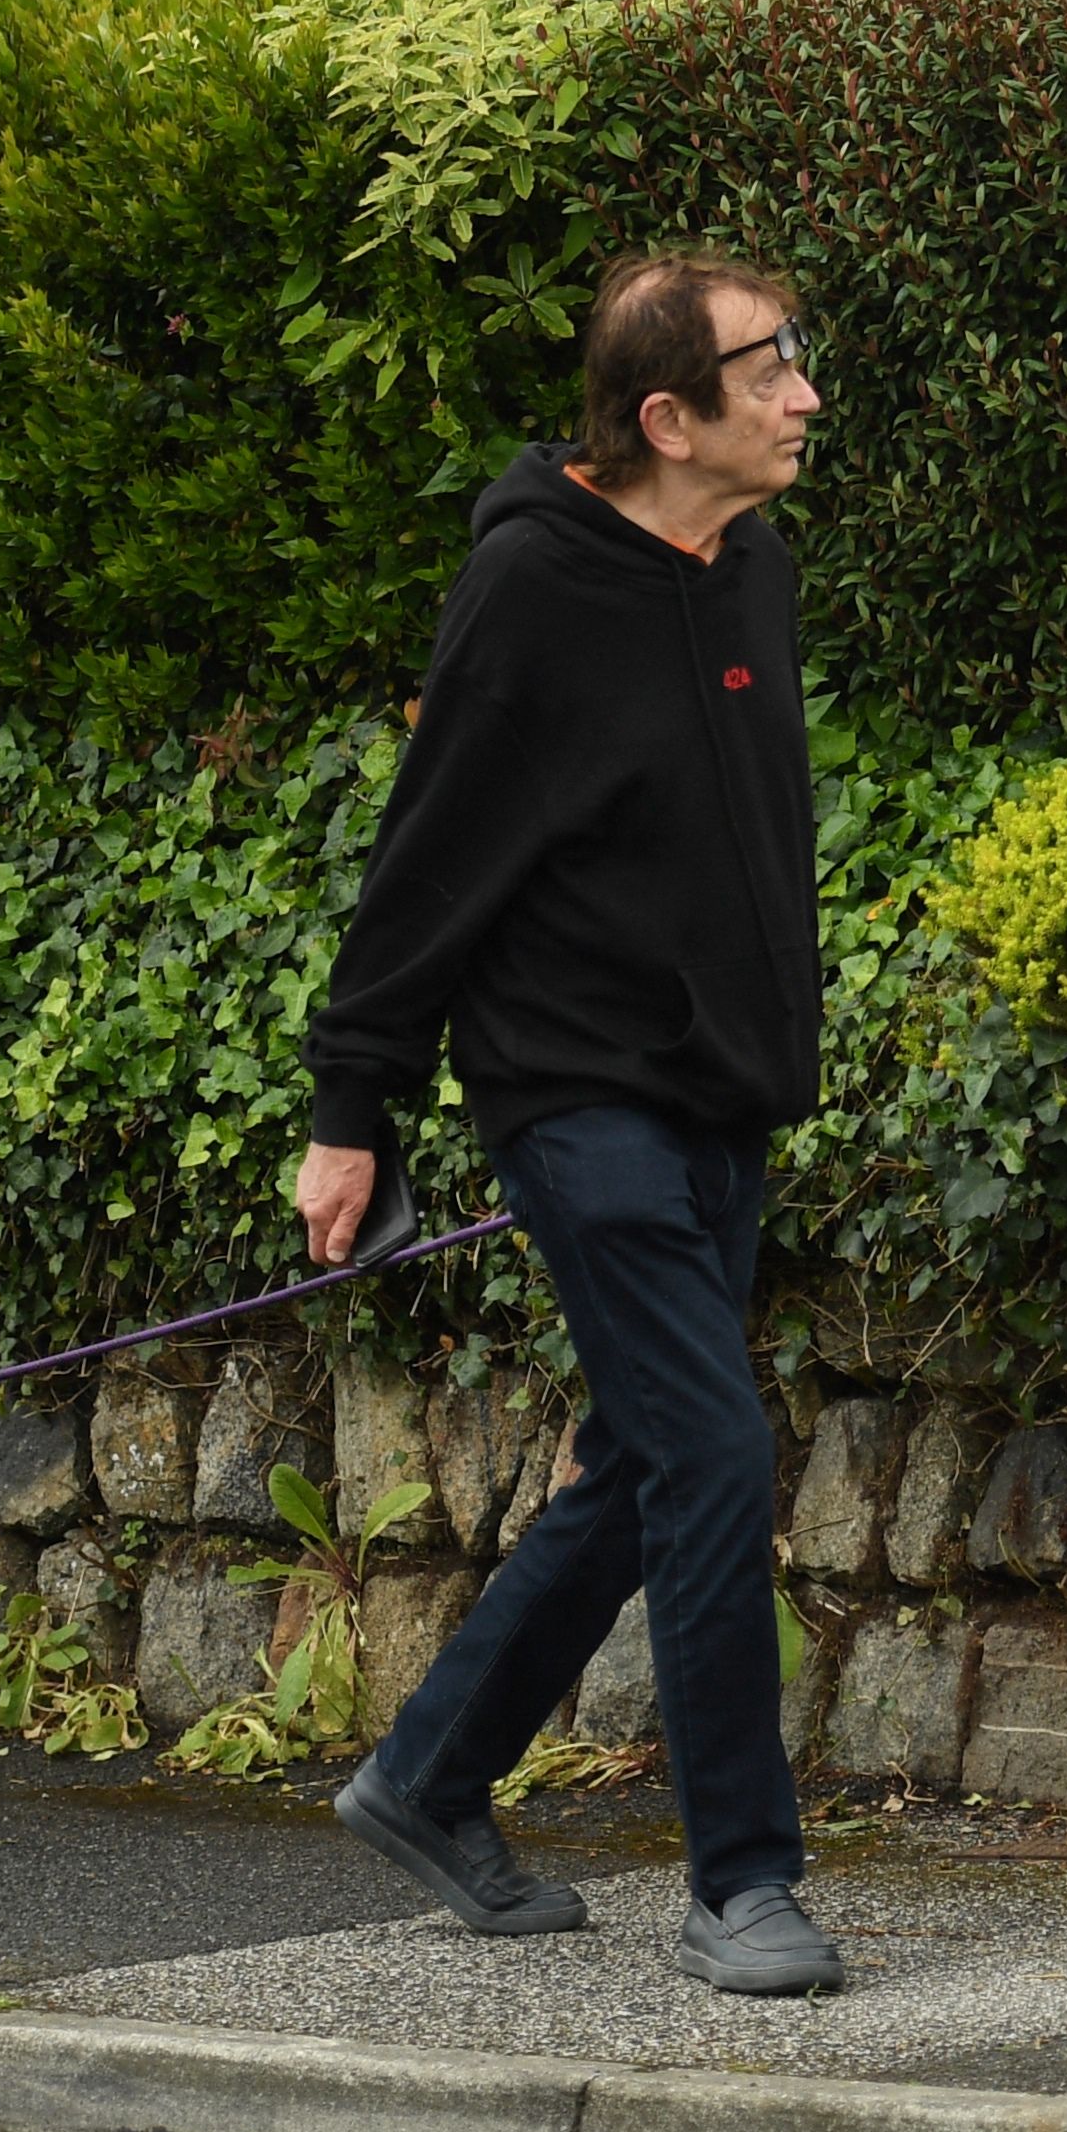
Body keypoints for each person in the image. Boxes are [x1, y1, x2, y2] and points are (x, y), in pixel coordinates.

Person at [292, 250, 839, 1999]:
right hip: (569, 1091)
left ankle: (429, 1778)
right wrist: (347, 1106)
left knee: (638, 1465)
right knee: (714, 1453)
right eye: (770, 369)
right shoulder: (531, 589)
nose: (805, 394)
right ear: (665, 415)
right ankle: (740, 1881)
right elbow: (429, 857)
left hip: (718, 1094)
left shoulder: (749, 568)